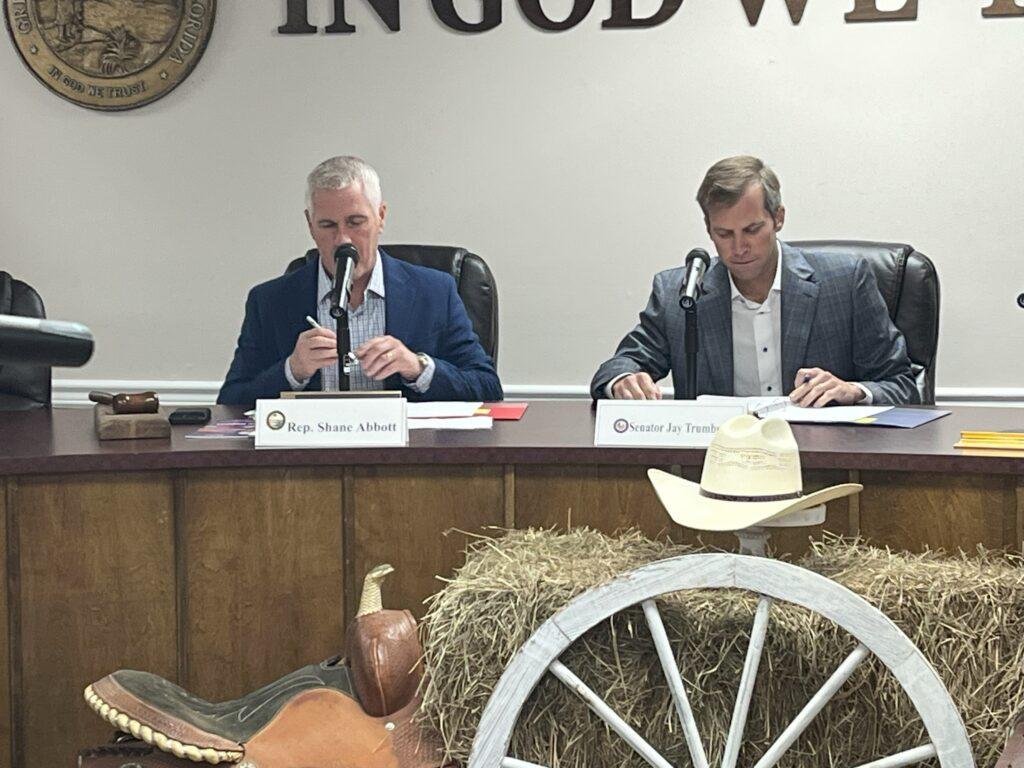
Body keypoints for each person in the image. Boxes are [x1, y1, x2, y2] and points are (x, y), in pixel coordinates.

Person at [590, 155, 919, 406]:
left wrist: (853, 391)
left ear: (778, 218)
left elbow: (904, 386)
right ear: (709, 231)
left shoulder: (845, 283)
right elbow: (619, 365)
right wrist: (623, 380)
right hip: (718, 464)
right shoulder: (681, 294)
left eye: (751, 230)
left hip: (819, 459)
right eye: (724, 234)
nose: (739, 248)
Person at [218, 156, 502, 406]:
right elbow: (230, 403)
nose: (343, 239)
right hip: (308, 459)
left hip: (405, 460)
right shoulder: (270, 301)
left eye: (356, 222)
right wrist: (293, 370)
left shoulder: (435, 291)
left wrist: (417, 367)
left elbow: (488, 388)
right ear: (310, 225)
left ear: (380, 217)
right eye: (328, 225)